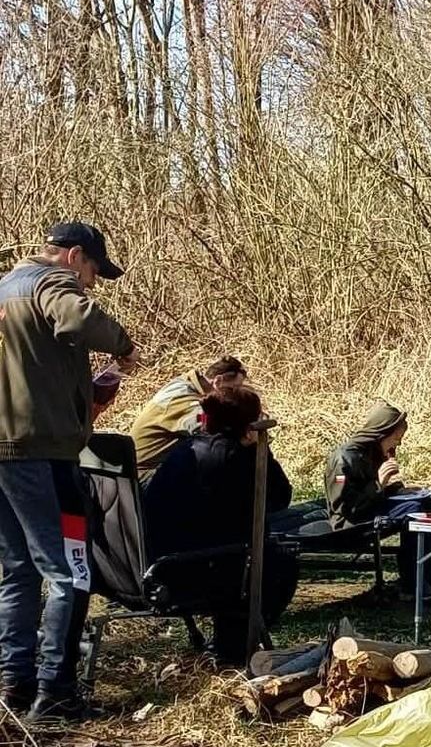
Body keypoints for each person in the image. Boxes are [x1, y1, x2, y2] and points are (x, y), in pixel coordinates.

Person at [0, 221, 138, 720]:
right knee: (68, 569)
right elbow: (78, 320)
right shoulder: (50, 281)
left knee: (16, 570)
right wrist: (122, 344)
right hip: (42, 452)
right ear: (74, 256)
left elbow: (32, 368)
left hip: (5, 453)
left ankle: (13, 684)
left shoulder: (4, 288)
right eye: (94, 271)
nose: (93, 282)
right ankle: (55, 692)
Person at [142, 384, 299, 665]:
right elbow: (280, 497)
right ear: (248, 424)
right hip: (193, 572)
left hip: (155, 566)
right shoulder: (235, 457)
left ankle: (225, 643)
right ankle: (232, 649)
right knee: (279, 563)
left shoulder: (183, 451)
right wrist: (260, 449)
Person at [324, 402, 431, 600]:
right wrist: (379, 484)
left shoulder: (370, 453)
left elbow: (372, 494)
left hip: (367, 509)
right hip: (349, 523)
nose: (398, 444)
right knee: (414, 511)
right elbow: (346, 507)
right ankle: (412, 584)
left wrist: (398, 490)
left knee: (428, 503)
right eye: (396, 438)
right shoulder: (345, 459)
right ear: (381, 433)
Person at [129, 355, 248, 480]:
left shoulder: (186, 383)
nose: (233, 395)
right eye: (232, 389)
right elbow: (206, 424)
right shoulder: (184, 401)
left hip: (154, 468)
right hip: (143, 475)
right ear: (217, 381)